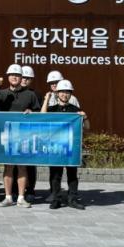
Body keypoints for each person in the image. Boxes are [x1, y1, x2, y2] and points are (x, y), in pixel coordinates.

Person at [0, 64, 41, 208]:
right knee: (8, 167)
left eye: (18, 75)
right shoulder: (2, 93)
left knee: (22, 167)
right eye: (12, 75)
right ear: (8, 77)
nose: (14, 77)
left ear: (21, 77)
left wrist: (32, 112)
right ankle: (8, 197)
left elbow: (38, 113)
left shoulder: (30, 94)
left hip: (24, 135)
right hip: (7, 134)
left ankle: (21, 197)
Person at [41, 79, 89, 210]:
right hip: (55, 147)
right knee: (55, 175)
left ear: (71, 94)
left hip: (70, 147)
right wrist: (46, 99)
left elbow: (87, 128)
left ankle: (72, 199)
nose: (65, 94)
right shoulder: (52, 109)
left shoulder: (75, 110)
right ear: (57, 93)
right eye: (62, 92)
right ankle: (56, 199)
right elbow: (42, 117)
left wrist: (85, 117)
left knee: (72, 174)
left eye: (67, 92)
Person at [20, 65, 41, 202]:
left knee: (30, 164)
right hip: (15, 134)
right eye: (23, 77)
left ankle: (30, 190)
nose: (25, 80)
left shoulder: (36, 95)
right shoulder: (11, 93)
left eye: (28, 78)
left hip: (30, 134)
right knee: (15, 164)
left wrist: (33, 112)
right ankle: (15, 190)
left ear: (31, 80)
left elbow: (40, 113)